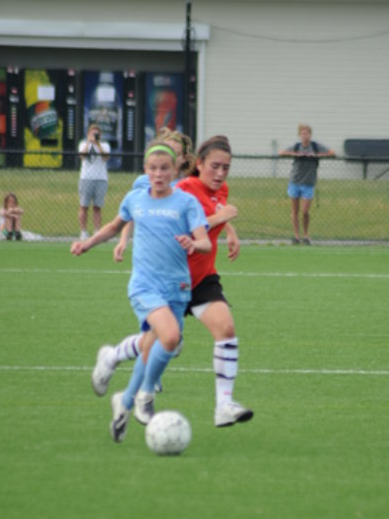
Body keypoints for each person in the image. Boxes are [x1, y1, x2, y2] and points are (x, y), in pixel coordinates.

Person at [92, 135, 254, 428]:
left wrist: (230, 230)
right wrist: (222, 218)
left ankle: (224, 405)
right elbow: (167, 220)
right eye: (215, 166)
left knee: (226, 328)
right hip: (169, 280)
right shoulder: (182, 189)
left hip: (201, 278)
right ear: (199, 164)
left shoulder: (219, 189)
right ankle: (113, 359)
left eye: (226, 168)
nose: (220, 173)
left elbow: (212, 210)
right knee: (161, 342)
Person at [71, 141, 211, 442]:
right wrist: (87, 244)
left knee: (150, 347)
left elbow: (205, 242)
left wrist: (193, 243)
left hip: (177, 287)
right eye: (153, 169)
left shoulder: (186, 202)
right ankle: (145, 395)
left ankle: (123, 403)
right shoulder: (135, 198)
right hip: (145, 286)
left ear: (175, 169)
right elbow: (113, 226)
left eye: (165, 169)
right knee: (170, 337)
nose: (159, 174)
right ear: (145, 170)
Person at [279, 124, 334, 245]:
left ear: (310, 135)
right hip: (295, 181)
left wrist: (316, 156)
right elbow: (281, 152)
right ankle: (296, 236)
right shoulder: (296, 146)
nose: (305, 136)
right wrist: (296, 155)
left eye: (307, 133)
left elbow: (332, 153)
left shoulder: (315, 146)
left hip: (308, 183)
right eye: (303, 134)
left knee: (305, 211)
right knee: (295, 210)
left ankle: (306, 234)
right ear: (299, 135)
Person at [78, 124, 111, 240]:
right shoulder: (83, 144)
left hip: (101, 179)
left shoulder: (105, 145)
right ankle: (83, 232)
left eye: (97, 134)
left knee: (97, 207)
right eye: (93, 134)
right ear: (88, 134)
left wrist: (98, 144)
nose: (95, 136)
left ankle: (97, 231)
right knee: (84, 206)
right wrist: (89, 142)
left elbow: (105, 157)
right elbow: (82, 156)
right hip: (86, 178)